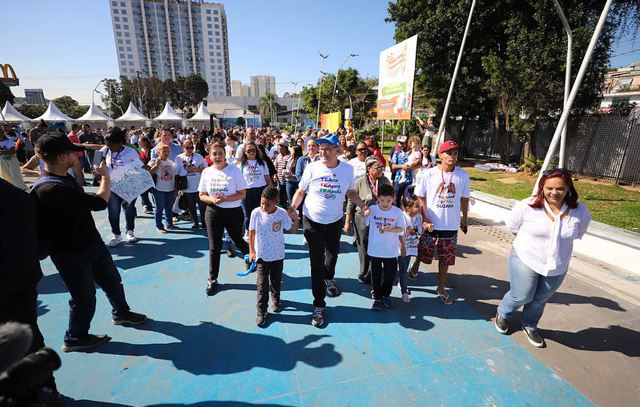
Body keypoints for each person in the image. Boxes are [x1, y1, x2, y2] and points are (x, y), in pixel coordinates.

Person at [31, 133, 146, 352]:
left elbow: (79, 193)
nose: (77, 155)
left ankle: (121, 313)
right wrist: (105, 176)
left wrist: (79, 173)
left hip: (91, 244)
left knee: (112, 281)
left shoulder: (61, 179)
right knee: (84, 297)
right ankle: (75, 338)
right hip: (70, 253)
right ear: (64, 157)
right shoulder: (50, 189)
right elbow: (99, 202)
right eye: (73, 153)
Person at [495, 169, 591, 348]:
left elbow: (579, 232)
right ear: (542, 188)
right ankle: (503, 313)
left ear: (568, 188)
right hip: (526, 257)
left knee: (540, 298)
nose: (554, 193)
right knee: (522, 294)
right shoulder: (528, 205)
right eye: (549, 188)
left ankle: (530, 325)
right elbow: (513, 226)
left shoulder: (580, 211)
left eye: (560, 189)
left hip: (557, 265)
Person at [289, 133, 370, 327]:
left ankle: (329, 278)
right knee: (315, 263)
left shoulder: (347, 170)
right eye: (321, 148)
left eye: (328, 149)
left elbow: (351, 192)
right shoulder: (312, 167)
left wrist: (363, 206)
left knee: (332, 256)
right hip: (313, 222)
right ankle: (318, 305)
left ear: (337, 151)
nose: (323, 152)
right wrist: (292, 209)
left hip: (334, 222)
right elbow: (301, 191)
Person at [414, 140, 470, 305]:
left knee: (445, 259)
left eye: (455, 153)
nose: (452, 157)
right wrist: (424, 218)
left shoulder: (463, 176)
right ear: (440, 155)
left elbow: (465, 199)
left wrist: (465, 219)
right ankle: (415, 267)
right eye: (448, 153)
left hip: (450, 225)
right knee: (423, 251)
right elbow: (420, 196)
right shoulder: (428, 174)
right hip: (431, 222)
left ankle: (441, 287)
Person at [198, 141, 250, 295]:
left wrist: (226, 199)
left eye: (220, 153)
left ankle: (251, 258)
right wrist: (213, 200)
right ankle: (212, 279)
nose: (218, 156)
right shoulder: (207, 172)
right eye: (214, 154)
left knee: (237, 240)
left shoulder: (234, 171)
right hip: (213, 211)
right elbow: (202, 195)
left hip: (233, 211)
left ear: (225, 154)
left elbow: (242, 193)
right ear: (210, 155)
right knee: (214, 246)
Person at [249, 186, 299, 327]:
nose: (264, 207)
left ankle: (276, 300)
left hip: (277, 255)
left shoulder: (282, 213)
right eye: (262, 203)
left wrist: (296, 219)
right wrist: (252, 251)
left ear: (276, 201)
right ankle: (261, 311)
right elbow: (251, 232)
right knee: (262, 285)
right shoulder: (256, 213)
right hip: (262, 256)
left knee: (276, 281)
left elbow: (292, 230)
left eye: (268, 204)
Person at [346, 156, 391, 283]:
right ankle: (364, 272)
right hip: (361, 218)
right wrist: (347, 221)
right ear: (369, 168)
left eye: (382, 167)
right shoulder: (359, 182)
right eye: (378, 167)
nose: (381, 170)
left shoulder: (385, 181)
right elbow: (351, 202)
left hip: (379, 218)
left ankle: (374, 271)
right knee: (364, 246)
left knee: (377, 245)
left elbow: (390, 198)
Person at [364, 183, 406, 311]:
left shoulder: (398, 212)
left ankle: (386, 295)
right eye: (382, 200)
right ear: (378, 199)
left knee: (390, 276)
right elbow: (366, 223)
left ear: (393, 199)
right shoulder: (372, 209)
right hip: (375, 250)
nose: (385, 203)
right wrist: (364, 214)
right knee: (375, 276)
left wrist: (391, 230)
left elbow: (401, 229)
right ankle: (377, 298)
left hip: (391, 251)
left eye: (388, 200)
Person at [101, 127, 143, 247]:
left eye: (110, 145)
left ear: (119, 143)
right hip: (112, 187)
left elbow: (139, 167)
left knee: (129, 209)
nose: (108, 147)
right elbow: (96, 160)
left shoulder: (130, 152)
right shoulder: (105, 150)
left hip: (128, 186)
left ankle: (130, 232)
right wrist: (97, 169)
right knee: (113, 211)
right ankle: (116, 235)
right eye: (106, 144)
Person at [238, 141, 272, 234]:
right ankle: (248, 231)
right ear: (245, 152)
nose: (251, 152)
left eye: (253, 150)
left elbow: (268, 178)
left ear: (256, 151)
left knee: (260, 212)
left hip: (260, 191)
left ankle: (259, 230)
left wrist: (270, 192)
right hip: (246, 192)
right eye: (249, 151)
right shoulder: (241, 164)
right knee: (247, 214)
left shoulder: (262, 163)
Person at [175, 139, 208, 230]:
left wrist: (196, 170)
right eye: (187, 147)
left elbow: (206, 170)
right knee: (191, 207)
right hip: (187, 187)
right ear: (183, 147)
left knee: (202, 206)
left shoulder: (199, 157)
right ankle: (195, 223)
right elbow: (176, 173)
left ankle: (204, 223)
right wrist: (177, 188)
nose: (190, 149)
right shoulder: (179, 158)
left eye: (191, 147)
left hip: (199, 187)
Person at [398, 194, 423, 302]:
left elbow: (420, 231)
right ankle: (404, 291)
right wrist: (402, 246)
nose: (419, 208)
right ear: (408, 207)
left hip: (411, 247)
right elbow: (399, 234)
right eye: (416, 206)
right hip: (401, 248)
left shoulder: (419, 217)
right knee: (403, 269)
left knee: (405, 266)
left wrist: (426, 227)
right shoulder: (402, 217)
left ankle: (400, 281)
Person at [148, 144, 177, 233]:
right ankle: (159, 226)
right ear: (158, 152)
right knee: (159, 208)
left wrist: (175, 189)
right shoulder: (154, 161)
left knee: (169, 207)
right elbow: (149, 172)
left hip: (170, 188)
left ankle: (169, 224)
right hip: (158, 189)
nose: (166, 153)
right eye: (164, 151)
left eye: (168, 151)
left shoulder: (171, 162)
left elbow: (175, 176)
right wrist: (157, 165)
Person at [390, 135, 413, 208]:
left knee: (408, 200)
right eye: (400, 143)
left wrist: (410, 166)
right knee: (396, 199)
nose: (401, 145)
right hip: (398, 179)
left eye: (403, 143)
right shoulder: (396, 153)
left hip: (409, 180)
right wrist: (402, 166)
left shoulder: (412, 153)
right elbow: (393, 166)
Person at [138, 136, 155, 215]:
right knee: (143, 191)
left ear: (144, 142)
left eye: (140, 141)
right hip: (142, 173)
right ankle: (147, 206)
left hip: (151, 173)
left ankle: (157, 204)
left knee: (153, 191)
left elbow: (153, 160)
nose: (138, 142)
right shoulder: (139, 150)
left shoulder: (151, 150)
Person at [274, 139, 291, 208]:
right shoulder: (278, 156)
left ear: (285, 147)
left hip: (287, 181)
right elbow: (276, 166)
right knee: (280, 197)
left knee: (286, 198)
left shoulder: (290, 156)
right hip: (279, 181)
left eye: (280, 146)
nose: (278, 148)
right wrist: (275, 174)